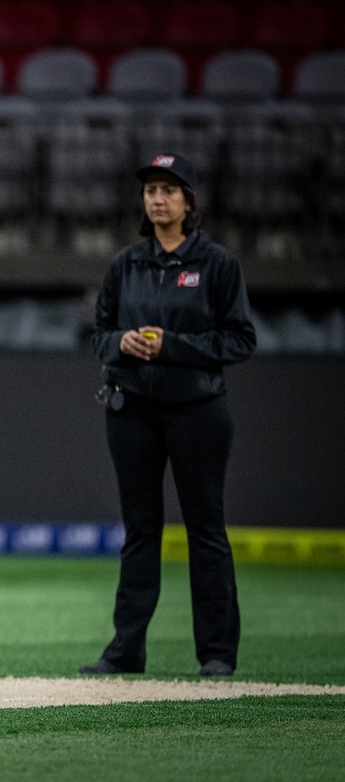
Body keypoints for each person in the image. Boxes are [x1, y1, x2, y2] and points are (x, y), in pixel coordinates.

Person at [83, 153, 256, 678]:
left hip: (198, 410)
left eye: (169, 189)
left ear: (189, 202)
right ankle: (126, 650)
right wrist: (121, 342)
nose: (157, 198)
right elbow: (98, 336)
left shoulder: (217, 265)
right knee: (140, 530)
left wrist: (172, 346)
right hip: (131, 408)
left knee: (206, 529)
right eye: (150, 190)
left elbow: (240, 339)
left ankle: (218, 653)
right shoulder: (126, 265)